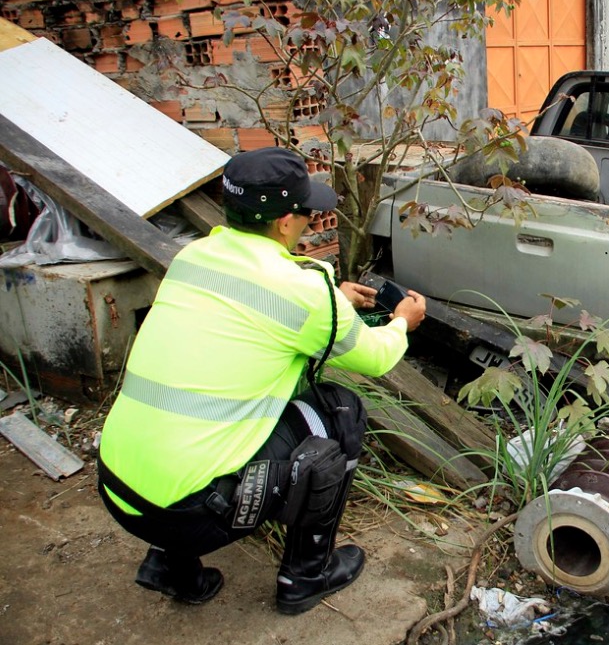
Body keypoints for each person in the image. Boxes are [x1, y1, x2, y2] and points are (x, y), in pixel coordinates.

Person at [97, 147, 427, 615]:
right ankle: (306, 577)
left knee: (196, 426)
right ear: (284, 223)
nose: (312, 221)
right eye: (307, 212)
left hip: (119, 489)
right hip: (191, 514)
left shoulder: (193, 256)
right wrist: (401, 322)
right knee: (341, 413)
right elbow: (375, 358)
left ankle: (171, 568)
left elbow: (258, 296)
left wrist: (331, 298)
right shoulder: (305, 292)